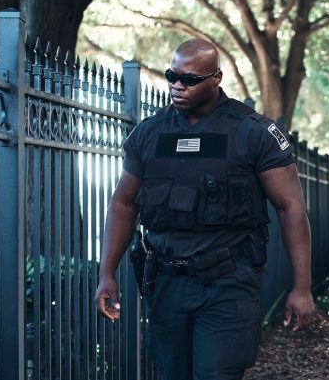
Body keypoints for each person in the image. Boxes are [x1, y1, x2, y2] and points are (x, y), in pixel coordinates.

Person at [94, 39, 317, 380]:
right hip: (165, 281)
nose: (177, 86)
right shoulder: (150, 134)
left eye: (189, 79)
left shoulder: (253, 132)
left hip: (228, 282)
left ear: (216, 78)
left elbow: (291, 209)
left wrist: (302, 287)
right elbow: (122, 203)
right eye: (172, 76)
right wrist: (106, 272)